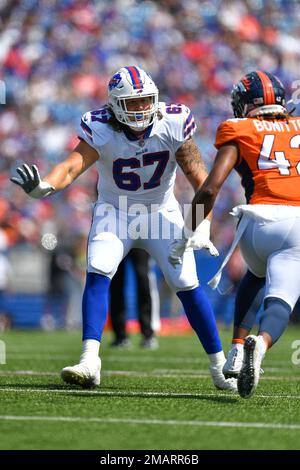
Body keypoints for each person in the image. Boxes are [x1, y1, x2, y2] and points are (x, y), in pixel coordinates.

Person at [11, 65, 236, 391]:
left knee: (186, 280)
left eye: (146, 100)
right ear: (115, 105)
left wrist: (200, 225)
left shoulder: (172, 122)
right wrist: (45, 185)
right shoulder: (100, 126)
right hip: (116, 211)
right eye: (133, 103)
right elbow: (72, 165)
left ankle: (219, 368)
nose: (142, 108)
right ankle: (90, 360)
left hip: (161, 212)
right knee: (99, 268)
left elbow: (202, 181)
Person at [171, 70, 300, 398]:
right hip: (297, 222)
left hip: (256, 223)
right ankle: (263, 342)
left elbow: (211, 187)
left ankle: (237, 348)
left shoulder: (239, 127)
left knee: (254, 276)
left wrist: (190, 229)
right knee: (280, 300)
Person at [110, 248, 158, 349]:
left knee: (143, 279)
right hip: (118, 235)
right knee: (116, 283)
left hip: (139, 235)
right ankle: (120, 336)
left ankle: (148, 335)